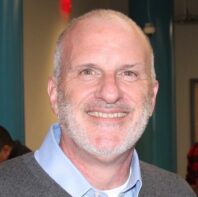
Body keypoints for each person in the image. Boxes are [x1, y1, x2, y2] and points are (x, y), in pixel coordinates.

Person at [0, 9, 195, 197]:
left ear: (152, 97)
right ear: (55, 94)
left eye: (128, 73)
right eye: (88, 72)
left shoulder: (176, 192)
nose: (110, 93)